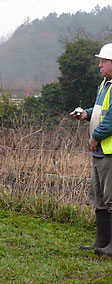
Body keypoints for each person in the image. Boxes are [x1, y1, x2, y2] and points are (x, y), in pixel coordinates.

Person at [70, 43, 112, 256]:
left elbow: (111, 119)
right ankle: (102, 242)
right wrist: (86, 113)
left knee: (111, 198)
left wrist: (95, 137)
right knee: (99, 198)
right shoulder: (104, 84)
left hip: (109, 151)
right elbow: (100, 111)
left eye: (104, 61)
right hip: (100, 152)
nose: (99, 65)